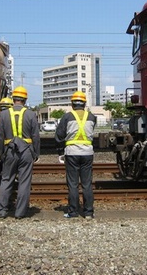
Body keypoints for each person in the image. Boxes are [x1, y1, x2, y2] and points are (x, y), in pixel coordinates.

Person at [0, 86, 40, 219]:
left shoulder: (3, 114)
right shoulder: (31, 114)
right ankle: (20, 213)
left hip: (10, 150)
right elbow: (36, 136)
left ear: (13, 99)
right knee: (24, 182)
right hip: (26, 151)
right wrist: (36, 153)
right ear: (25, 100)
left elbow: (0, 135)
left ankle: (1, 211)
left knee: (6, 180)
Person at [55, 91, 97, 219]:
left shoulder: (67, 117)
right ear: (84, 103)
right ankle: (88, 212)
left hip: (72, 152)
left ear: (72, 103)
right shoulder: (92, 117)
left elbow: (59, 136)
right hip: (87, 153)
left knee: (73, 184)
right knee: (87, 183)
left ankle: (73, 212)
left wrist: (60, 150)